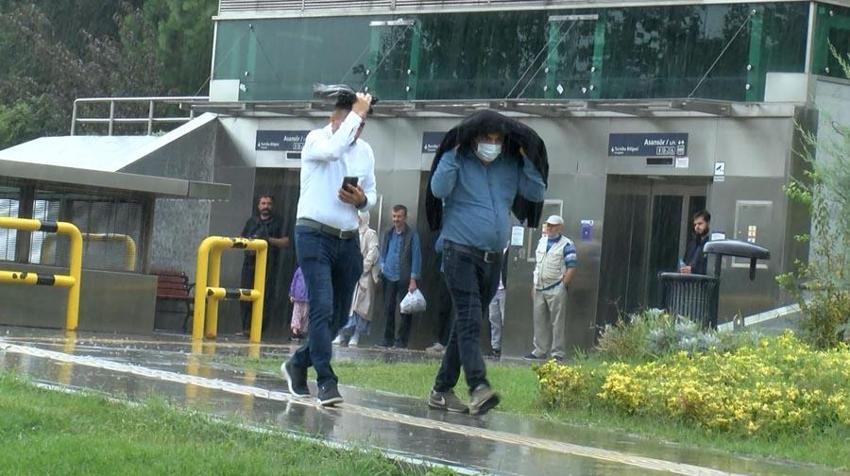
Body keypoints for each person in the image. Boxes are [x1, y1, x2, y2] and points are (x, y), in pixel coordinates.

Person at [425, 110, 547, 415]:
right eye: (486, 138)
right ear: (473, 139)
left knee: (464, 324)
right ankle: (478, 386)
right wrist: (452, 154)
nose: (491, 144)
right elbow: (438, 189)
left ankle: (440, 391)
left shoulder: (510, 165)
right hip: (459, 252)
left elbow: (536, 191)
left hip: (492, 259)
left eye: (497, 139)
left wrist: (527, 159)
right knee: (469, 317)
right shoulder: (459, 160)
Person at [281, 91, 377, 407]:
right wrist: (357, 113)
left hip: (347, 238)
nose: (355, 131)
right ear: (333, 119)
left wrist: (361, 200)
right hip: (313, 233)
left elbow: (373, 193)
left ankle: (298, 363)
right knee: (321, 305)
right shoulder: (316, 140)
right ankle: (325, 380)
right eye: (351, 122)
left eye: (361, 126)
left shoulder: (364, 152)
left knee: (338, 315)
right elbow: (335, 151)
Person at [526, 215, 577, 362]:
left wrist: (563, 286)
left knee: (557, 322)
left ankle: (557, 354)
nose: (550, 228)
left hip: (556, 287)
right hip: (539, 288)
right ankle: (539, 351)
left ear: (560, 227)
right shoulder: (542, 242)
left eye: (553, 225)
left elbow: (572, 267)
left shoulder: (567, 244)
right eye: (548, 225)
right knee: (539, 320)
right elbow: (538, 266)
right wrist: (534, 285)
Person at [239, 194, 290, 335]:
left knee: (265, 298)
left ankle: (259, 330)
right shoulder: (252, 222)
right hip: (249, 265)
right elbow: (241, 239)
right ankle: (246, 328)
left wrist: (267, 240)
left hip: (270, 266)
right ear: (258, 206)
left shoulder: (279, 222)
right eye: (263, 203)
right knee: (245, 296)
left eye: (268, 203)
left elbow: (286, 242)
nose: (266, 206)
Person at [333, 210, 380, 347]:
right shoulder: (349, 231)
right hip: (349, 273)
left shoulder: (370, 234)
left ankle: (356, 335)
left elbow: (374, 252)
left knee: (360, 308)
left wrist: (362, 266)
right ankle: (341, 334)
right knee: (346, 305)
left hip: (364, 276)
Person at [379, 204, 422, 349]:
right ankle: (387, 339)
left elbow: (416, 257)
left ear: (405, 217)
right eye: (394, 216)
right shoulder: (388, 233)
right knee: (388, 308)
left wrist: (413, 279)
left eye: (399, 216)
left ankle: (401, 341)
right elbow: (383, 252)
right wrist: (382, 265)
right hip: (388, 275)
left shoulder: (412, 235)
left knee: (405, 310)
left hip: (404, 277)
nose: (396, 219)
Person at [487, 247, 509, 359]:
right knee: (493, 317)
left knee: (505, 318)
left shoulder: (510, 250)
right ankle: (495, 347)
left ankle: (507, 346)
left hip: (504, 289)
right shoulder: (494, 249)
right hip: (494, 287)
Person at [680, 210, 711, 275]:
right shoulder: (692, 244)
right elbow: (685, 263)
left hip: (703, 283)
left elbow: (711, 268)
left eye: (700, 224)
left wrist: (693, 270)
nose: (696, 227)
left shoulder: (712, 245)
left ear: (708, 223)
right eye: (695, 224)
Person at [289, 266, 309, 339]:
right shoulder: (299, 270)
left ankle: (301, 331)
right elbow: (294, 282)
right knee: (296, 314)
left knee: (305, 315)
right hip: (298, 296)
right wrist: (292, 294)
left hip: (308, 297)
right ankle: (295, 331)